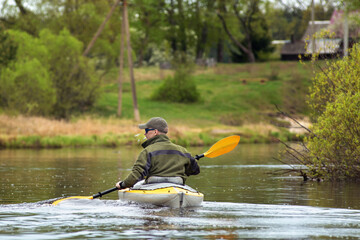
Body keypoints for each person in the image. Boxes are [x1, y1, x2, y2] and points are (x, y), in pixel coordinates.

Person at [116, 117, 200, 189]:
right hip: (178, 185)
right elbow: (195, 170)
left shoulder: (147, 151)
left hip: (154, 185)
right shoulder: (183, 151)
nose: (145, 134)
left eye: (146, 130)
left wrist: (123, 184)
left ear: (155, 132)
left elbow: (136, 175)